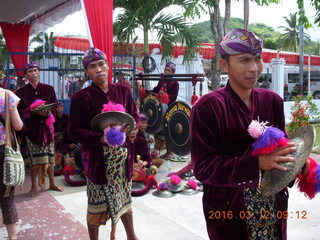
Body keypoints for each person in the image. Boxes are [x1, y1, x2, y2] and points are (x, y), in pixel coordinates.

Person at [190, 29, 297, 240]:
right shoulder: (209, 107)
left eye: (258, 59)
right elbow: (203, 168)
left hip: (271, 206)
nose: (254, 68)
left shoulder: (272, 101)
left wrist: (295, 161)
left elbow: (281, 149)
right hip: (229, 209)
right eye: (244, 60)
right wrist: (256, 164)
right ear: (224, 65)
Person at [68, 47, 139, 240]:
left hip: (122, 160)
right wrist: (98, 138)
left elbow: (134, 116)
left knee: (125, 200)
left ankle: (132, 236)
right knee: (96, 207)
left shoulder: (123, 90)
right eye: (92, 66)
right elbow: (73, 131)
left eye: (101, 64)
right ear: (87, 72)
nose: (98, 69)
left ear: (108, 65)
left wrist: (133, 128)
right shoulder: (80, 98)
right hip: (97, 162)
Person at [15, 61, 64, 197]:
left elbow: (55, 105)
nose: (34, 73)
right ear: (25, 75)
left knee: (50, 159)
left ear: (39, 72)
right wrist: (33, 112)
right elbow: (19, 112)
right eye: (30, 71)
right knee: (34, 161)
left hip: (48, 129)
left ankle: (52, 183)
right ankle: (34, 187)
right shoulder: (20, 92)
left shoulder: (48, 89)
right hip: (32, 131)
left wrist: (48, 112)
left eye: (36, 70)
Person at [0, 88, 23, 240]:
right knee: (6, 196)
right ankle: (12, 236)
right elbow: (18, 125)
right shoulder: (7, 96)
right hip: (3, 151)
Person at [150, 62, 179, 160]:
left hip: (169, 109)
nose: (166, 71)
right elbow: (156, 90)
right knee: (161, 130)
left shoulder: (175, 83)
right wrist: (146, 91)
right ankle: (164, 152)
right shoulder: (162, 80)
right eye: (165, 69)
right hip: (160, 109)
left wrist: (165, 96)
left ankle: (170, 153)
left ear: (173, 72)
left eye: (168, 70)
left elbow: (173, 97)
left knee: (168, 131)